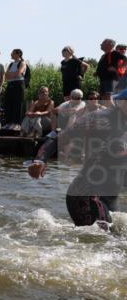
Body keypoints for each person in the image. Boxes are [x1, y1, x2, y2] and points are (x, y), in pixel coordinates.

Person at [28, 89, 127, 228]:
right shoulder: (100, 118)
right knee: (105, 241)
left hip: (111, 198)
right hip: (86, 194)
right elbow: (60, 137)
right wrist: (40, 160)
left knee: (116, 239)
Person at [3, 49, 27, 128]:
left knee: (18, 104)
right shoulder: (11, 64)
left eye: (12, 53)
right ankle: (8, 122)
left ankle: (17, 124)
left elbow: (18, 73)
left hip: (19, 84)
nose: (11, 54)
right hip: (10, 84)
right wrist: (12, 75)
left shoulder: (22, 63)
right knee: (9, 103)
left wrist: (11, 74)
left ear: (18, 54)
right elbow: (5, 76)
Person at [96, 38, 126, 102]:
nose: (101, 45)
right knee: (104, 98)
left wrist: (118, 67)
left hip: (110, 79)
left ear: (109, 45)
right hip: (103, 79)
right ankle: (109, 111)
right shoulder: (103, 55)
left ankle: (114, 111)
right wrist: (97, 72)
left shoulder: (114, 53)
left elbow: (125, 59)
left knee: (108, 98)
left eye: (103, 43)